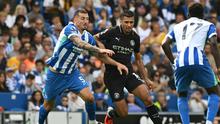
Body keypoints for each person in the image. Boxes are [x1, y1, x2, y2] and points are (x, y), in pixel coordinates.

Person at [38, 9, 128, 124]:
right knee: (47, 106)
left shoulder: (88, 36)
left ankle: (92, 122)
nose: (86, 21)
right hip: (56, 74)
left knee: (90, 98)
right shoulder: (69, 29)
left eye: (87, 19)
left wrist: (117, 64)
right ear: (75, 19)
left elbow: (99, 55)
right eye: (82, 18)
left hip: (72, 74)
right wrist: (99, 48)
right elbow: (79, 43)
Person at [94, 10, 162, 124]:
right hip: (113, 76)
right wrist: (101, 46)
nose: (129, 25)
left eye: (131, 22)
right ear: (121, 21)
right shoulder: (112, 31)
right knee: (124, 114)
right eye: (126, 22)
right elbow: (95, 37)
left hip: (128, 73)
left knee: (148, 98)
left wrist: (146, 79)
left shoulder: (135, 37)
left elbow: (138, 59)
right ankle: (111, 114)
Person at [162, 3, 220, 124]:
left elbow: (164, 44)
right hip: (198, 60)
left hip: (181, 62)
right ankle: (209, 122)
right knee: (214, 92)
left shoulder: (177, 26)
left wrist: (174, 62)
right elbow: (214, 44)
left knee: (182, 95)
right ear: (203, 15)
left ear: (188, 14)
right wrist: (219, 67)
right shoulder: (208, 24)